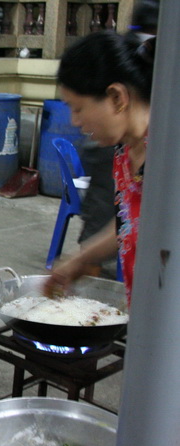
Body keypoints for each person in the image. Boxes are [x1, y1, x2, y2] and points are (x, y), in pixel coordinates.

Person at [43, 30, 156, 306]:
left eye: (78, 108)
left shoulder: (167, 155)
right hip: (146, 315)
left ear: (117, 97)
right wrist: (80, 260)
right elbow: (128, 222)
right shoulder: (124, 151)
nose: (74, 121)